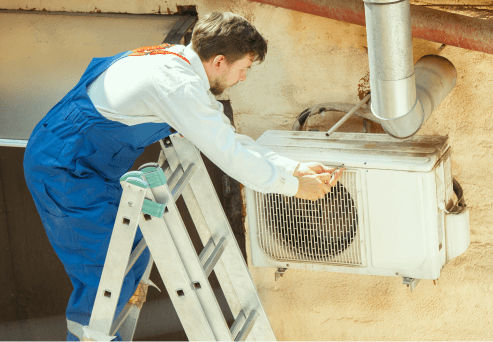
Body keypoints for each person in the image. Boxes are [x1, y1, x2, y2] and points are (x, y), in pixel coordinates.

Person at [23, 11, 345, 341]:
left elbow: (227, 139)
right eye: (244, 68)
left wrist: (293, 168)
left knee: (130, 255)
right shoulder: (178, 86)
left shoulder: (176, 59)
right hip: (64, 170)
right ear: (220, 61)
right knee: (103, 276)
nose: (244, 77)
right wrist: (293, 187)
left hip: (90, 168)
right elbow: (229, 155)